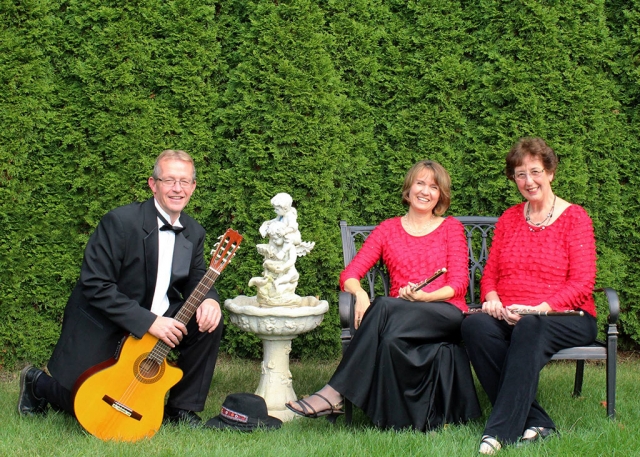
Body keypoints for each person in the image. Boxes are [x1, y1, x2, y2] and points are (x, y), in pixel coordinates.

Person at [18, 149, 224, 427]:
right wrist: (149, 322)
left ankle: (180, 408)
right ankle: (38, 383)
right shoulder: (120, 222)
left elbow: (196, 275)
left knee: (207, 322)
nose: (178, 189)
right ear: (153, 184)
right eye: (169, 180)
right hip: (108, 321)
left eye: (185, 181)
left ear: (194, 186)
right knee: (91, 407)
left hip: (159, 315)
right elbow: (95, 284)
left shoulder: (194, 231)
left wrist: (209, 299)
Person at [286, 160, 481, 431]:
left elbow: (458, 284)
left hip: (445, 312)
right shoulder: (388, 229)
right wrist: (361, 295)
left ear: (441, 195)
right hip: (398, 317)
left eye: (434, 187)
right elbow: (349, 275)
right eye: (420, 183)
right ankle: (394, 420)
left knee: (384, 306)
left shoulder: (451, 228)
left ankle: (335, 393)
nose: (425, 191)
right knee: (387, 334)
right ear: (409, 188)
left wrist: (424, 297)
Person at [461, 138, 598, 454]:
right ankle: (537, 421)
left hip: (566, 316)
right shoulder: (510, 218)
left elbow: (582, 283)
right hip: (513, 313)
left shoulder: (575, 218)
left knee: (531, 326)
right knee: (474, 327)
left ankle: (499, 433)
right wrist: (492, 298)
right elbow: (491, 273)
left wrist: (541, 309)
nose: (528, 181)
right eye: (520, 174)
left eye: (535, 171)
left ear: (550, 172)